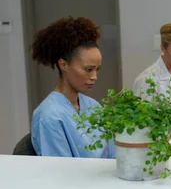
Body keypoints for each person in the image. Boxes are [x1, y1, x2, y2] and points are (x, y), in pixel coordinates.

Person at [31, 17, 116, 158]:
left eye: (97, 69)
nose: (94, 77)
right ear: (63, 65)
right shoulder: (49, 116)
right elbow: (61, 173)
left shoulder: (93, 106)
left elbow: (113, 157)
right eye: (88, 69)